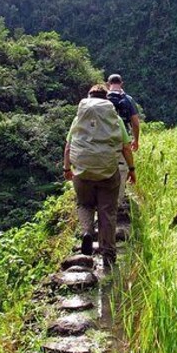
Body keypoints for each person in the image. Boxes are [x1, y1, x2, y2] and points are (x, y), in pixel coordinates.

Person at [63, 84, 136, 269]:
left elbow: (68, 147)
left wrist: (67, 169)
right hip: (108, 170)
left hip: (82, 170)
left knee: (84, 204)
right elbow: (126, 147)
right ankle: (108, 256)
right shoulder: (115, 119)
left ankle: (87, 232)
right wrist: (131, 169)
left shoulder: (79, 118)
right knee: (107, 211)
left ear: (88, 98)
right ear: (106, 100)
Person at [106, 74, 140, 206]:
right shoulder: (128, 99)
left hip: (103, 139)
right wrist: (135, 140)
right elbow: (135, 123)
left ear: (108, 83)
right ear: (122, 83)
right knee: (122, 169)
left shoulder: (103, 98)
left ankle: (105, 197)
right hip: (122, 139)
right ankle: (118, 199)